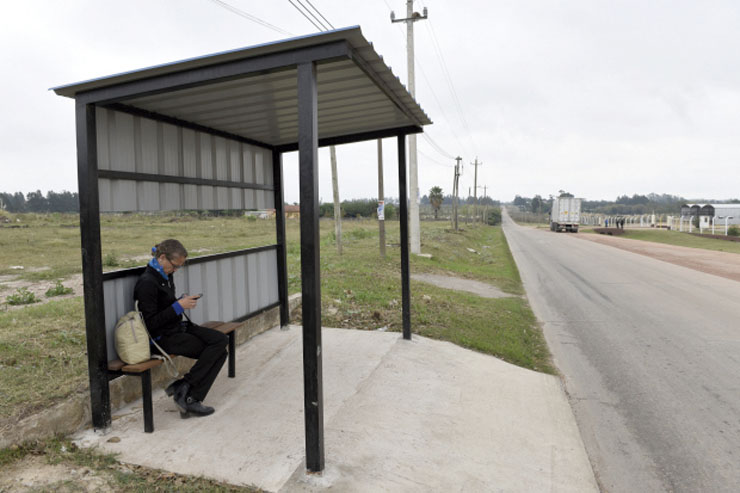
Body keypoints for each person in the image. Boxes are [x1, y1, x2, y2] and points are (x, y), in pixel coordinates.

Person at [134, 239, 228, 418]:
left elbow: (165, 305)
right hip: (162, 338)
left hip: (177, 328)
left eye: (179, 267)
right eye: (175, 266)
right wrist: (178, 306)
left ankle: (183, 386)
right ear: (162, 258)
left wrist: (180, 302)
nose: (176, 270)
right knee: (218, 352)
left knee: (221, 340)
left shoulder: (165, 275)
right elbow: (150, 323)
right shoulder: (147, 283)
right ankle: (190, 397)